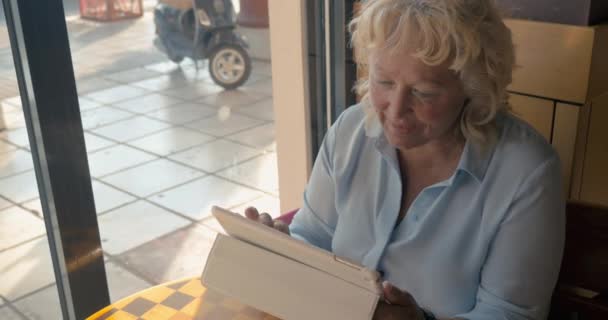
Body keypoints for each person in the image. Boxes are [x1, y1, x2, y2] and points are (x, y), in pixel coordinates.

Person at [246, 0, 565, 319]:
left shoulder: (526, 172)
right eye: (384, 82)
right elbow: (315, 237)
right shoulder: (351, 131)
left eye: (424, 92)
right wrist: (284, 247)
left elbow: (510, 313)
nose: (395, 110)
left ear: (474, 87)